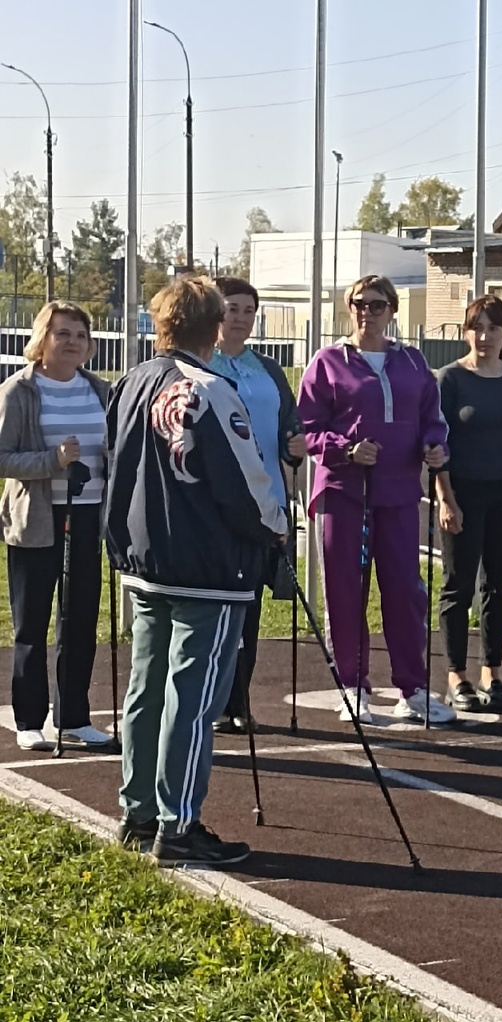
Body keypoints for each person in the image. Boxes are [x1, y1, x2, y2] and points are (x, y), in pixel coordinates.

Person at [106, 276, 288, 866]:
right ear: (213, 326)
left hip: (146, 558)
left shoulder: (132, 381)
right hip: (207, 566)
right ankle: (178, 825)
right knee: (193, 698)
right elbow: (245, 483)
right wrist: (275, 529)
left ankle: (139, 813)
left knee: (147, 688)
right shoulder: (212, 389)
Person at [297, 274, 452, 724]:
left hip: (399, 493)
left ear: (392, 310)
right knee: (346, 590)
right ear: (349, 309)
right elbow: (307, 428)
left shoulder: (413, 362)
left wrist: (436, 447)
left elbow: (432, 419)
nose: (368, 312)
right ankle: (352, 686)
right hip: (344, 493)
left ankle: (413, 688)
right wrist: (344, 450)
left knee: (404, 591)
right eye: (360, 304)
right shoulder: (327, 361)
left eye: (377, 304)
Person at [0, 301, 113, 750]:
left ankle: (74, 717)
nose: (72, 343)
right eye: (62, 333)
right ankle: (29, 720)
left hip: (89, 515)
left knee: (80, 621)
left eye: (81, 335)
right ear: (42, 338)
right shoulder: (19, 391)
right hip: (38, 519)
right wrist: (52, 461)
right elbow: (3, 458)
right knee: (32, 623)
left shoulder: (100, 390)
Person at [208, 276, 307, 733]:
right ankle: (211, 700)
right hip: (215, 505)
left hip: (265, 503)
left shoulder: (267, 369)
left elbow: (289, 424)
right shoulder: (199, 364)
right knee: (216, 608)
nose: (241, 318)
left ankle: (239, 701)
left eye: (249, 310)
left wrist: (294, 446)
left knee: (249, 607)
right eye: (232, 308)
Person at [434, 295, 502, 712]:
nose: (484, 336)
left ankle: (491, 673)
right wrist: (446, 498)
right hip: (463, 493)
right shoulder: (450, 380)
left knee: (498, 586)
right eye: (476, 328)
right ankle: (456, 676)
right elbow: (437, 444)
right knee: (458, 585)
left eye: (493, 328)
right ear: (465, 333)